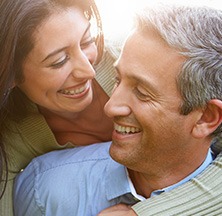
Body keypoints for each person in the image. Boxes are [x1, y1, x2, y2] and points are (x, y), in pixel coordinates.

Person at [13, 4, 222, 216]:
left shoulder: (129, 50)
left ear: (206, 117)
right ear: (12, 75)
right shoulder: (44, 189)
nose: (110, 106)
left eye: (141, 92)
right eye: (117, 79)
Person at [0, 0, 124, 215]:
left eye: (87, 41)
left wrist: (148, 211)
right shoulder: (15, 135)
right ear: (10, 73)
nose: (88, 71)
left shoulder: (129, 55)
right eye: (59, 61)